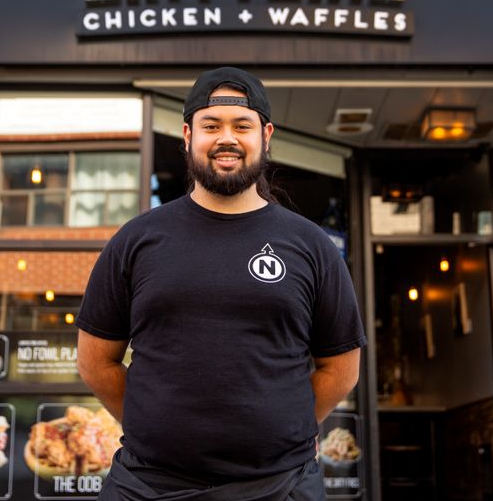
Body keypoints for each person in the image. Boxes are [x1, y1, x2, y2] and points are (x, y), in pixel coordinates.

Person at [77, 67, 366, 501]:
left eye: (241, 126)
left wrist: (285, 428)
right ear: (188, 135)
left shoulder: (310, 245)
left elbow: (341, 369)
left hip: (281, 486)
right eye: (211, 125)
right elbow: (96, 362)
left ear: (265, 135)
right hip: (148, 485)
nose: (226, 138)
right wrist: (152, 426)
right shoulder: (136, 240)